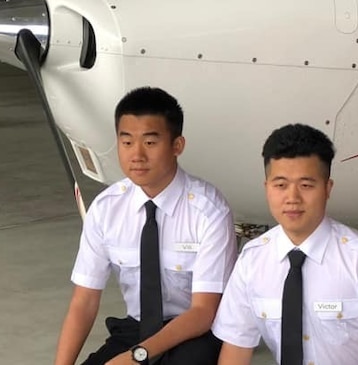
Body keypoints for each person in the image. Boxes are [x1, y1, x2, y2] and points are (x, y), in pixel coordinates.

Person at [54, 87, 237, 365]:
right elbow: (84, 302)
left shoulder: (208, 211)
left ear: (177, 146)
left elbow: (204, 311)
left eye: (150, 143)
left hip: (196, 333)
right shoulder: (106, 209)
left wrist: (138, 356)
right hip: (135, 330)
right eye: (127, 143)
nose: (136, 155)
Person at [212, 123, 358, 365]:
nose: (292, 198)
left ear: (327, 188)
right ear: (267, 188)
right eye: (280, 185)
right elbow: (236, 346)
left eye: (306, 185)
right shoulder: (252, 259)